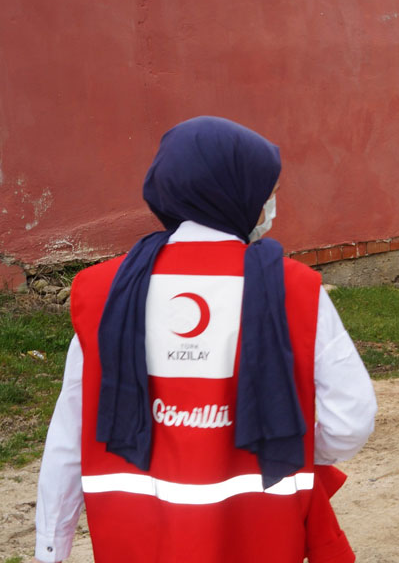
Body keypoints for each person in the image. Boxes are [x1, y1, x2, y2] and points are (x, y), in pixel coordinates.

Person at [34, 116, 377, 563]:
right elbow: (350, 421)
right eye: (266, 190)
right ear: (232, 192)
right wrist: (284, 443)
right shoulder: (295, 290)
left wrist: (49, 551)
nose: (271, 203)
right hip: (260, 536)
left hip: (134, 540)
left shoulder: (104, 292)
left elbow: (69, 436)